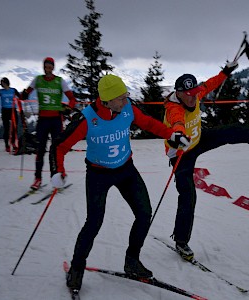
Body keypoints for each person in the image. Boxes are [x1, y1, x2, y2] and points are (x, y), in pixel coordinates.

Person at [49, 74, 190, 291]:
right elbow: (59, 146)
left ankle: (132, 261)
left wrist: (172, 135)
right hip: (98, 174)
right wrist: (58, 171)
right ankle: (76, 269)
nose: (126, 101)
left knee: (144, 214)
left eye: (126, 96)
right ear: (106, 100)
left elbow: (150, 124)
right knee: (93, 223)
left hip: (126, 169)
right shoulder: (87, 119)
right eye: (121, 98)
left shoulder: (127, 109)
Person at [162, 62, 249, 260]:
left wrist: (225, 71)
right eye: (188, 94)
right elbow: (177, 123)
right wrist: (179, 135)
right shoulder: (174, 109)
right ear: (179, 93)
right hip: (181, 153)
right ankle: (181, 241)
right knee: (188, 196)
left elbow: (211, 84)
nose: (193, 96)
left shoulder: (196, 93)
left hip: (198, 139)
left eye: (194, 92)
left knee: (232, 131)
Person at [22, 57, 77, 190]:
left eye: (50, 66)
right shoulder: (38, 80)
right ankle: (38, 178)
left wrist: (69, 108)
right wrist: (23, 95)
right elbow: (26, 93)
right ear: (44, 67)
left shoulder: (59, 81)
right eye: (46, 66)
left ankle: (56, 177)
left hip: (56, 120)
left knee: (55, 150)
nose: (48, 68)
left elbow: (72, 99)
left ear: (53, 67)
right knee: (40, 150)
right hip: (43, 120)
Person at [0, 77, 21, 152]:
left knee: (14, 128)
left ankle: (13, 143)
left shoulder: (13, 90)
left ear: (5, 83)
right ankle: (7, 145)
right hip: (5, 110)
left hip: (12, 110)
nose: (1, 85)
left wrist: (25, 93)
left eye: (2, 83)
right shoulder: (0, 91)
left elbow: (21, 97)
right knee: (6, 128)